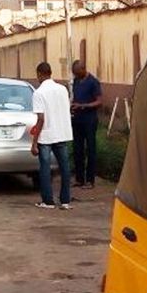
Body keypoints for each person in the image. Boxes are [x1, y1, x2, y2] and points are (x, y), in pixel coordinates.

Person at [31, 62, 73, 210]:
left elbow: (41, 119)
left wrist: (34, 142)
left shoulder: (39, 93)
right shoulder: (63, 90)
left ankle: (48, 201)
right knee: (65, 167)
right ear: (50, 72)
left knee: (45, 168)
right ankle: (65, 200)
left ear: (39, 74)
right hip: (62, 133)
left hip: (46, 136)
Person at [71, 60, 103, 189]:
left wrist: (83, 106)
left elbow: (99, 102)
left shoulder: (93, 82)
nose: (76, 76)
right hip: (77, 120)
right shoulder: (76, 82)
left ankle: (90, 180)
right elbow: (75, 98)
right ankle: (79, 179)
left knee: (90, 149)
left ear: (83, 69)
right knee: (77, 150)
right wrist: (73, 106)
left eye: (77, 73)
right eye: (74, 74)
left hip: (89, 119)